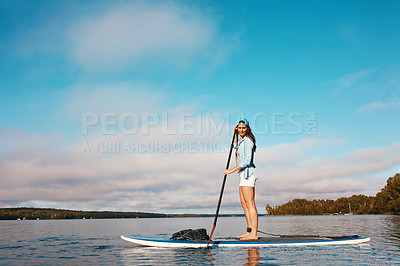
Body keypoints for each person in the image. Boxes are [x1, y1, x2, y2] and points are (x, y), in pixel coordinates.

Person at [224, 119, 258, 240]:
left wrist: (230, 170)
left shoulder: (248, 141)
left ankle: (254, 233)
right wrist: (235, 134)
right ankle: (249, 231)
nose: (242, 130)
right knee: (244, 204)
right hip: (242, 175)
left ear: (247, 128)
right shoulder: (241, 141)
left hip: (248, 174)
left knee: (250, 203)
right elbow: (234, 147)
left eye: (244, 128)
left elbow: (247, 161)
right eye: (239, 128)